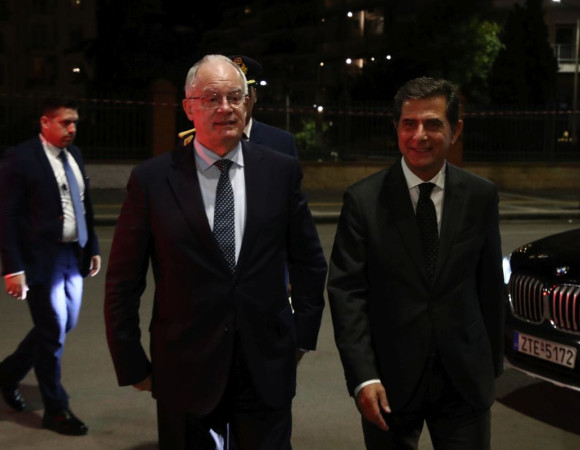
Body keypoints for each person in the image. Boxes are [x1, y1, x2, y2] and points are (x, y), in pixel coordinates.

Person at [104, 54, 327, 449]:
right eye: (211, 98)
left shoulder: (280, 171)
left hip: (266, 365)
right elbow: (123, 281)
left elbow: (309, 262)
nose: (225, 108)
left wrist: (302, 336)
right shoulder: (152, 181)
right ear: (189, 107)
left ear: (248, 103)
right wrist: (130, 359)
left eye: (235, 97)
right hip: (184, 367)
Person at [327, 77, 504, 450]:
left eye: (432, 124)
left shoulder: (481, 196)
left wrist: (490, 368)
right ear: (397, 127)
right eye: (409, 124)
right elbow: (347, 294)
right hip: (388, 383)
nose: (419, 135)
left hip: (464, 382)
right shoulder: (363, 201)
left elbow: (489, 286)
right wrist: (362, 377)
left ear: (455, 130)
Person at [0, 96, 101, 435]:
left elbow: (84, 204)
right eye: (65, 122)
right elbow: (6, 216)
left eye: (75, 123)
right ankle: (56, 409)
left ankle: (7, 373)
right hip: (40, 257)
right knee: (53, 331)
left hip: (73, 254)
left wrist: (92, 246)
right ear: (45, 122)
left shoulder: (75, 155)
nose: (72, 129)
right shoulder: (21, 158)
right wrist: (13, 269)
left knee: (63, 324)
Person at [179, 55, 299, 159]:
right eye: (214, 99)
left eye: (236, 97)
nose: (226, 107)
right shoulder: (193, 140)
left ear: (252, 96)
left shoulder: (281, 142)